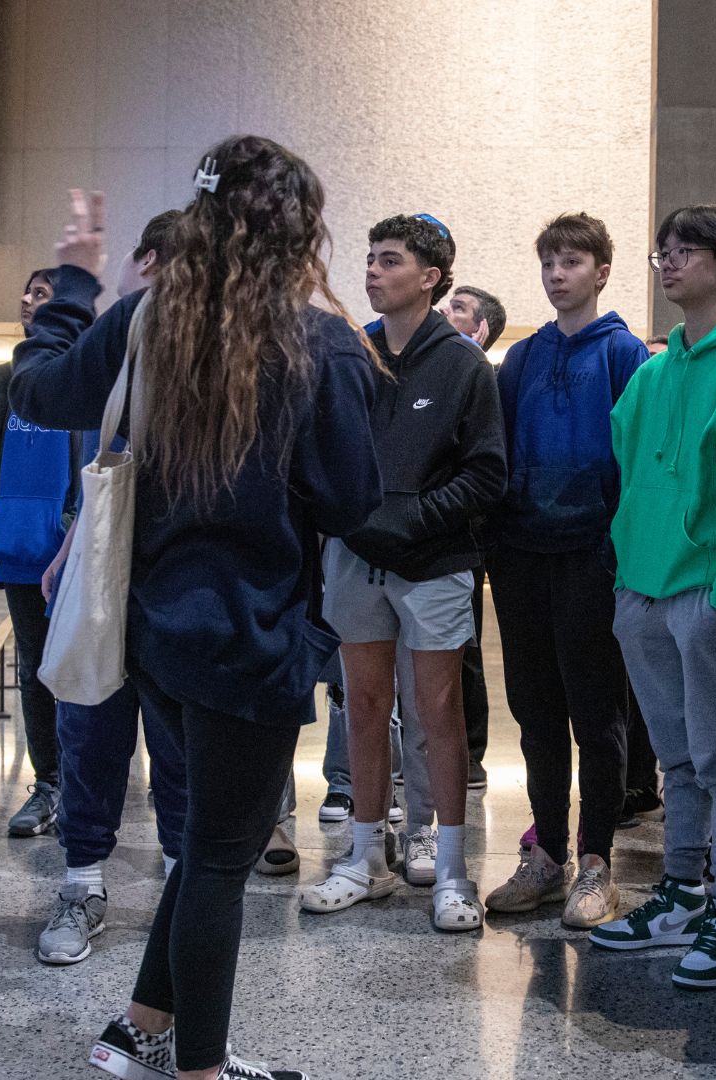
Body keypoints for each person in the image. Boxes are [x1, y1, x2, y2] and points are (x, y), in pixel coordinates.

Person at [9, 139, 383, 1080]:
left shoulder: (143, 319)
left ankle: (139, 1026)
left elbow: (40, 391)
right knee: (221, 859)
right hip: (252, 641)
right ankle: (202, 1071)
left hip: (153, 636)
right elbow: (352, 502)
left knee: (209, 847)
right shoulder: (320, 344)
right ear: (299, 230)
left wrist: (71, 287)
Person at [586, 204, 716, 991]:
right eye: (661, 251)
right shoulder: (652, 370)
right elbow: (629, 472)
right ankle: (678, 892)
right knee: (675, 759)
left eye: (686, 251)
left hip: (708, 593)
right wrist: (625, 575)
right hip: (641, 589)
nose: (667, 263)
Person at [299, 213, 505, 932]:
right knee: (360, 707)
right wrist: (358, 525)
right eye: (370, 258)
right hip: (356, 558)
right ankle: (363, 859)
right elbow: (322, 459)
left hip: (435, 562)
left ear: (431, 276)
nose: (372, 271)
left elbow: (485, 476)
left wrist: (405, 526)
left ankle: (449, 868)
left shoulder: (465, 366)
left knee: (436, 713)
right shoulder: (350, 356)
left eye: (390, 260)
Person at [33, 212, 197, 966]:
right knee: (90, 725)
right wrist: (75, 540)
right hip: (113, 570)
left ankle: (183, 888)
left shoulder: (233, 341)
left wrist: (75, 284)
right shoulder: (131, 336)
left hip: (185, 586)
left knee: (178, 746)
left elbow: (42, 387)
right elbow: (108, 461)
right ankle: (83, 881)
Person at [480, 212, 649, 928]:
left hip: (592, 554)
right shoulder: (519, 359)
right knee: (535, 710)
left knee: (596, 712)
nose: (557, 274)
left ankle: (595, 864)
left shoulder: (625, 353)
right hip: (524, 557)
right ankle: (545, 853)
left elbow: (638, 462)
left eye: (572, 262)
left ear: (601, 271)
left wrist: (622, 553)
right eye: (549, 262)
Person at [0, 268, 82, 838]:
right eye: (27, 291)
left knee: (88, 669)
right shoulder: (5, 381)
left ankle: (91, 781)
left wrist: (70, 525)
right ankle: (50, 783)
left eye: (41, 294)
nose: (26, 300)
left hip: (76, 549)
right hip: (18, 551)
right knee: (35, 669)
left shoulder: (88, 374)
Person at [439, 282, 507, 790]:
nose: (445, 310)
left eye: (458, 308)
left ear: (481, 330)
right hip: (408, 530)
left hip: (463, 532)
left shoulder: (481, 373)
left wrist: (472, 355)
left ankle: (471, 755)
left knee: (464, 648)